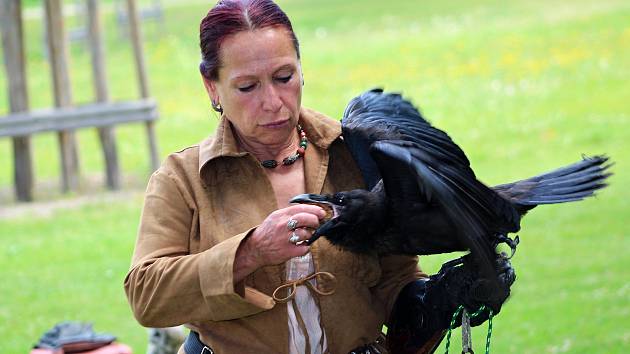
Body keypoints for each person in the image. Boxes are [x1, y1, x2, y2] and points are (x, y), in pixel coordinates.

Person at [124, 1, 514, 353]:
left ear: (301, 69)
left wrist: (441, 297)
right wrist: (252, 252)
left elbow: (396, 279)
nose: (273, 102)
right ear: (213, 87)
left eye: (284, 77)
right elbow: (147, 296)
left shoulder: (356, 152)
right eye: (247, 86)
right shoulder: (183, 178)